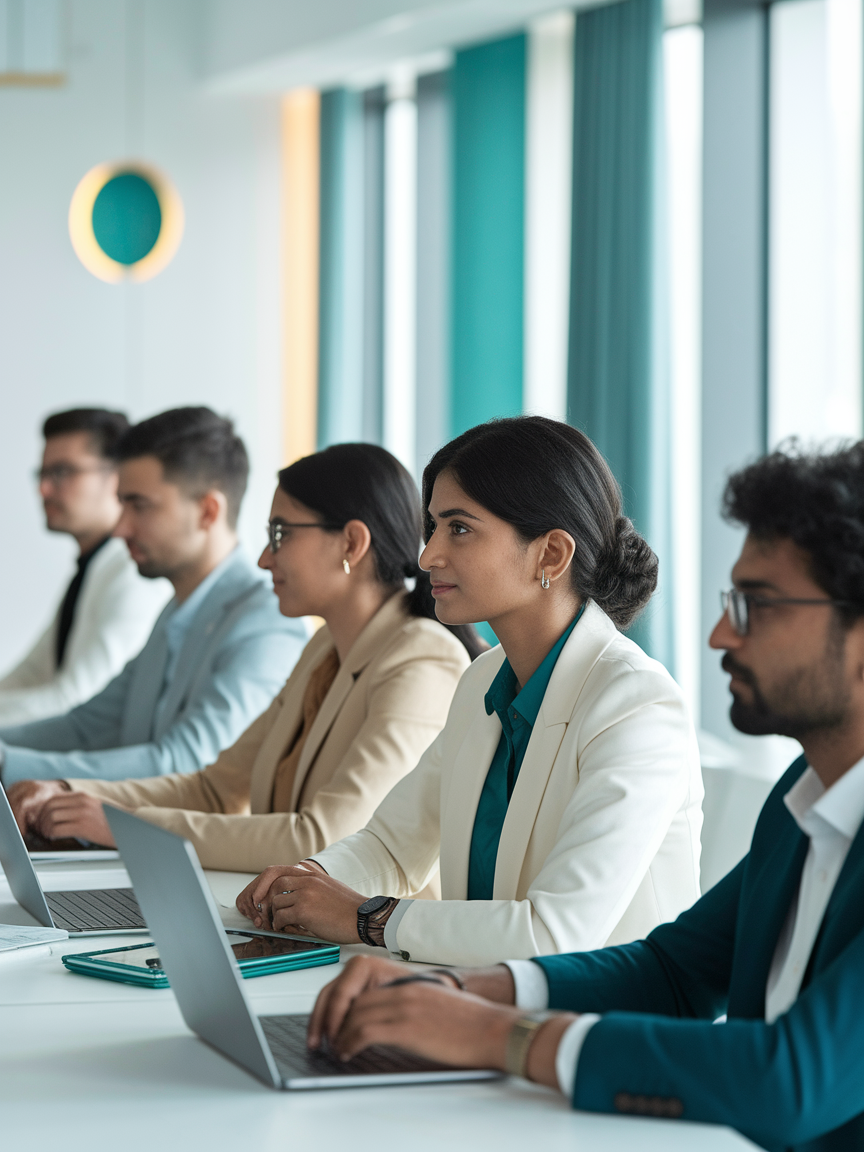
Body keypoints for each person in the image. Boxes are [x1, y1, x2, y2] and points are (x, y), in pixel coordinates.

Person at [304, 441, 864, 1152]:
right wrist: (464, 994)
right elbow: (673, 970)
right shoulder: (806, 797)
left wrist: (499, 1034)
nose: (721, 634)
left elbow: (789, 1084)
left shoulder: (637, 702)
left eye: (757, 606)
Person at [237, 416, 703, 965]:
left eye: (458, 528)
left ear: (550, 555)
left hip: (597, 1030)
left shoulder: (635, 706)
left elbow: (555, 933)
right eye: (432, 527)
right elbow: (390, 844)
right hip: (479, 1004)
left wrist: (366, 917)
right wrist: (308, 881)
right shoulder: (484, 680)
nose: (427, 555)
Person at [9, 444, 479, 871]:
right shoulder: (323, 650)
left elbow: (329, 838)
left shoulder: (421, 660)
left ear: (351, 544)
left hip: (367, 948)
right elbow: (214, 790)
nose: (263, 560)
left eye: (280, 534)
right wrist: (74, 795)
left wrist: (122, 824)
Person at [0, 406, 306, 789]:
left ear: (208, 511)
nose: (120, 528)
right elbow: (87, 727)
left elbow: (185, 765)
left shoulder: (266, 625)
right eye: (122, 504)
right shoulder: (175, 615)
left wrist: (18, 767)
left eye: (139, 506)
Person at [0, 408, 171, 726]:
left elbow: (76, 700)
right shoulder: (91, 569)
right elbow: (34, 672)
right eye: (42, 474)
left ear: (117, 477)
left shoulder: (134, 576)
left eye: (62, 472)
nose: (44, 489)